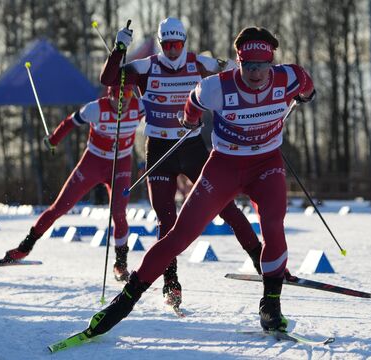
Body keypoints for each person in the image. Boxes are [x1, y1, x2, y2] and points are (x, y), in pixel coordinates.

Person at [78, 26, 316, 338]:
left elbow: (308, 89)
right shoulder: (216, 87)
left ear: (272, 63)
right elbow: (193, 102)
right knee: (179, 235)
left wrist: (305, 96)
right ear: (238, 63)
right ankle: (125, 301)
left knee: (273, 225)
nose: (256, 74)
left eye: (263, 66)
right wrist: (189, 121)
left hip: (266, 165)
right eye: (249, 66)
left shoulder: (291, 77)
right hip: (224, 167)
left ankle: (271, 305)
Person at [100, 17, 263, 308]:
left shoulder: (201, 63)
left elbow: (238, 75)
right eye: (168, 45)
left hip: (192, 148)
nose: (173, 50)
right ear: (161, 43)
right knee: (167, 220)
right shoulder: (146, 67)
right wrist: (119, 48)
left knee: (226, 207)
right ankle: (171, 284)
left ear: (184, 41)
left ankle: (262, 261)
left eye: (178, 44)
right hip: (159, 149)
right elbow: (109, 79)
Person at [2, 83, 146, 282]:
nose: (122, 100)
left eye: (128, 93)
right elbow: (70, 122)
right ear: (110, 94)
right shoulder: (95, 109)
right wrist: (53, 140)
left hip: (120, 165)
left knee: (119, 213)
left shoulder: (139, 106)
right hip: (93, 162)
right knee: (60, 207)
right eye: (117, 95)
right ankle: (24, 248)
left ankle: (120, 264)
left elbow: (162, 115)